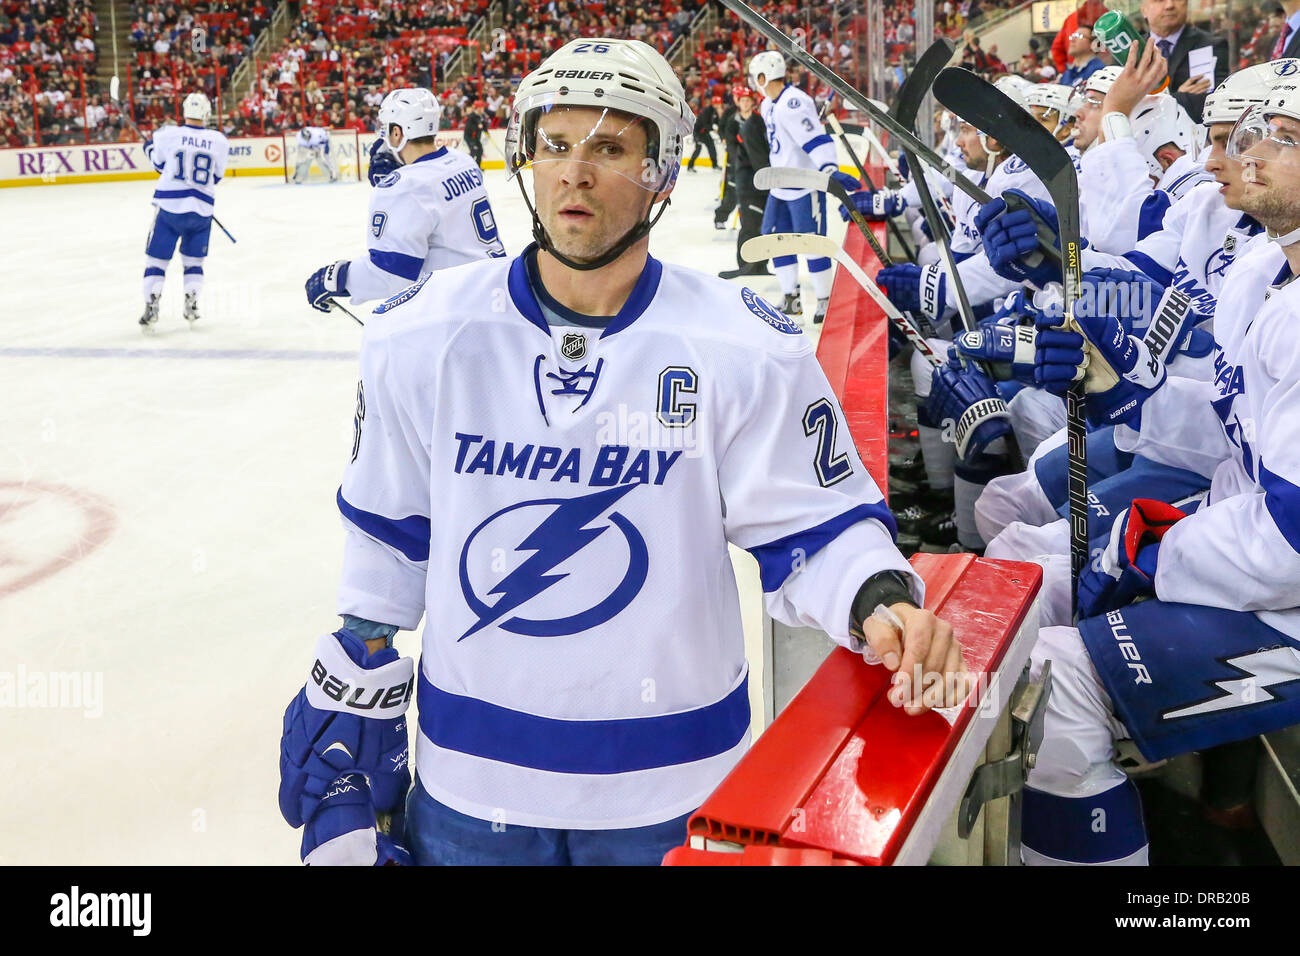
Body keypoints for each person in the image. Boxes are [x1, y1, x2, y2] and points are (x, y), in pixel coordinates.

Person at [279, 38, 970, 867]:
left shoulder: (743, 346)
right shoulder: (420, 335)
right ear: (525, 160)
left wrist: (876, 597)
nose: (575, 172)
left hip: (676, 793)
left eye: (609, 148)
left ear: (662, 175)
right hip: (469, 789)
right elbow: (390, 534)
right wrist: (357, 666)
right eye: (556, 145)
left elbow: (815, 527)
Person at [979, 79, 1300, 865]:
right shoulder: (1268, 270)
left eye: (1280, 137)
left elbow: (1292, 540)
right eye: (1243, 131)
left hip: (1283, 587)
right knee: (1020, 587)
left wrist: (1156, 550)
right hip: (1242, 544)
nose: (1243, 153)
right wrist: (1125, 390)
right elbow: (1238, 433)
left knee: (1057, 693)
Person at [304, 88, 506, 314]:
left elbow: (392, 275)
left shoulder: (404, 187)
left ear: (397, 132)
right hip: (496, 290)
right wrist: (403, 170)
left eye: (386, 128)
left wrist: (338, 278)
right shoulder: (463, 161)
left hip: (460, 309)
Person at [750, 49, 861, 323]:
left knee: (812, 244)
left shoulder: (794, 102)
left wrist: (828, 169)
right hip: (780, 186)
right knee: (775, 241)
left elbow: (814, 139)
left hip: (803, 187)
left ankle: (824, 299)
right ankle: (791, 298)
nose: (754, 82)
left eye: (756, 77)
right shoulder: (768, 104)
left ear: (764, 76)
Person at [139, 92, 229, 329]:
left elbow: (159, 165)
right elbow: (216, 176)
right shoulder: (219, 140)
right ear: (207, 113)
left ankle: (151, 304)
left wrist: (148, 148)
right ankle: (192, 303)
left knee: (156, 261)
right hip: (201, 211)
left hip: (169, 209)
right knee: (194, 262)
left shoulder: (168, 135)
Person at [1139, 0, 1229, 123]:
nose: (1170, 5)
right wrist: (1179, 97)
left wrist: (1148, 103)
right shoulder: (1131, 51)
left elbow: (1211, 103)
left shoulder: (1211, 46)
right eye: (1159, 0)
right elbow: (1119, 105)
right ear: (1143, 9)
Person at [719, 84, 769, 279]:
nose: (746, 103)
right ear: (738, 102)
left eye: (749, 100)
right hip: (745, 178)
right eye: (743, 100)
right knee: (749, 223)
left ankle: (760, 264)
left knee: (761, 224)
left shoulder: (758, 122)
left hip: (759, 178)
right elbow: (732, 148)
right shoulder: (733, 122)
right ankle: (746, 263)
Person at [1059, 22, 1104, 87]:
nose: (1073, 40)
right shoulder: (1067, 73)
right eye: (1073, 35)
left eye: (1079, 36)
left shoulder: (1098, 72)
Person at [686, 93, 719, 171]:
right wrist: (713, 129)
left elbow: (716, 121)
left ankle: (715, 165)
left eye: (719, 104)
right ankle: (690, 166)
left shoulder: (715, 111)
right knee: (698, 148)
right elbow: (705, 123)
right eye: (716, 104)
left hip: (705, 133)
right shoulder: (706, 111)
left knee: (712, 148)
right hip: (698, 133)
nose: (718, 106)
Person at [463, 99, 485, 168]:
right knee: (473, 151)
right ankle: (468, 166)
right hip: (470, 137)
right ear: (478, 108)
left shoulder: (480, 116)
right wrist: (477, 127)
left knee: (480, 150)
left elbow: (483, 125)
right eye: (481, 107)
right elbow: (469, 129)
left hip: (476, 138)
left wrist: (485, 130)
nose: (483, 109)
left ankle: (477, 166)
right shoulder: (472, 116)